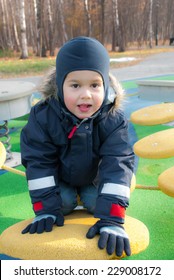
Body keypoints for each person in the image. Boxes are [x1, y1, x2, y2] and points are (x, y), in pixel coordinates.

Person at [20, 36, 134, 257]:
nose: (86, 94)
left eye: (94, 85)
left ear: (106, 85)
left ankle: (86, 196)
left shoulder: (113, 119)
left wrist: (112, 218)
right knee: (61, 204)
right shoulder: (43, 116)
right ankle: (70, 197)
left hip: (95, 178)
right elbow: (38, 162)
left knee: (96, 203)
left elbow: (117, 162)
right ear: (60, 86)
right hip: (61, 178)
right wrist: (45, 209)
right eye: (75, 85)